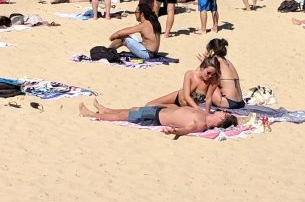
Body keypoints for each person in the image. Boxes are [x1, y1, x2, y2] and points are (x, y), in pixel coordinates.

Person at [79, 99, 237, 137]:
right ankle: (106, 109)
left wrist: (175, 132)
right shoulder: (204, 114)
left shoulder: (201, 124)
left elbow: (187, 129)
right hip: (161, 110)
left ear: (221, 120)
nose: (222, 111)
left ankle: (92, 114)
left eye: (224, 113)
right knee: (133, 109)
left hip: (157, 117)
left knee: (126, 116)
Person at [146, 56, 220, 113]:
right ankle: (172, 107)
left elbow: (208, 98)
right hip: (178, 97)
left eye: (212, 74)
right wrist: (197, 109)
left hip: (187, 108)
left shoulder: (212, 81)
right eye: (208, 73)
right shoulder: (190, 74)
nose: (210, 76)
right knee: (149, 105)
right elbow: (186, 96)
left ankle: (173, 108)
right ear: (202, 68)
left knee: (155, 108)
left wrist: (206, 113)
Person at [199, 38, 245, 109]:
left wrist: (204, 63)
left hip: (228, 102)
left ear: (211, 51)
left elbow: (200, 75)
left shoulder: (215, 62)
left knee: (206, 78)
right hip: (240, 102)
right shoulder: (227, 62)